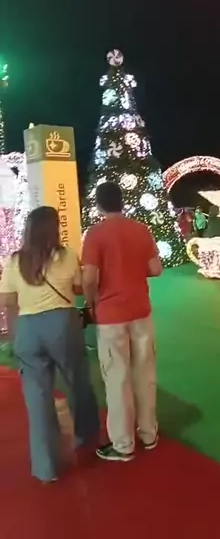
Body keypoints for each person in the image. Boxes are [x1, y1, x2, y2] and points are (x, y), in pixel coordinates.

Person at [0, 206, 99, 483]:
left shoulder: (15, 261)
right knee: (78, 383)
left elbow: (7, 301)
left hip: (28, 329)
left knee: (37, 399)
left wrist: (15, 336)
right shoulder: (66, 256)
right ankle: (86, 439)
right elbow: (78, 287)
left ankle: (46, 467)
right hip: (62, 324)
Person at [82, 182, 163, 463]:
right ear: (122, 201)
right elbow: (155, 269)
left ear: (99, 204)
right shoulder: (141, 230)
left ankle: (123, 444)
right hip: (140, 310)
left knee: (117, 379)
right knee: (145, 373)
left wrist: (91, 302)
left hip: (110, 314)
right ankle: (149, 434)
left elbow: (89, 277)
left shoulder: (95, 234)